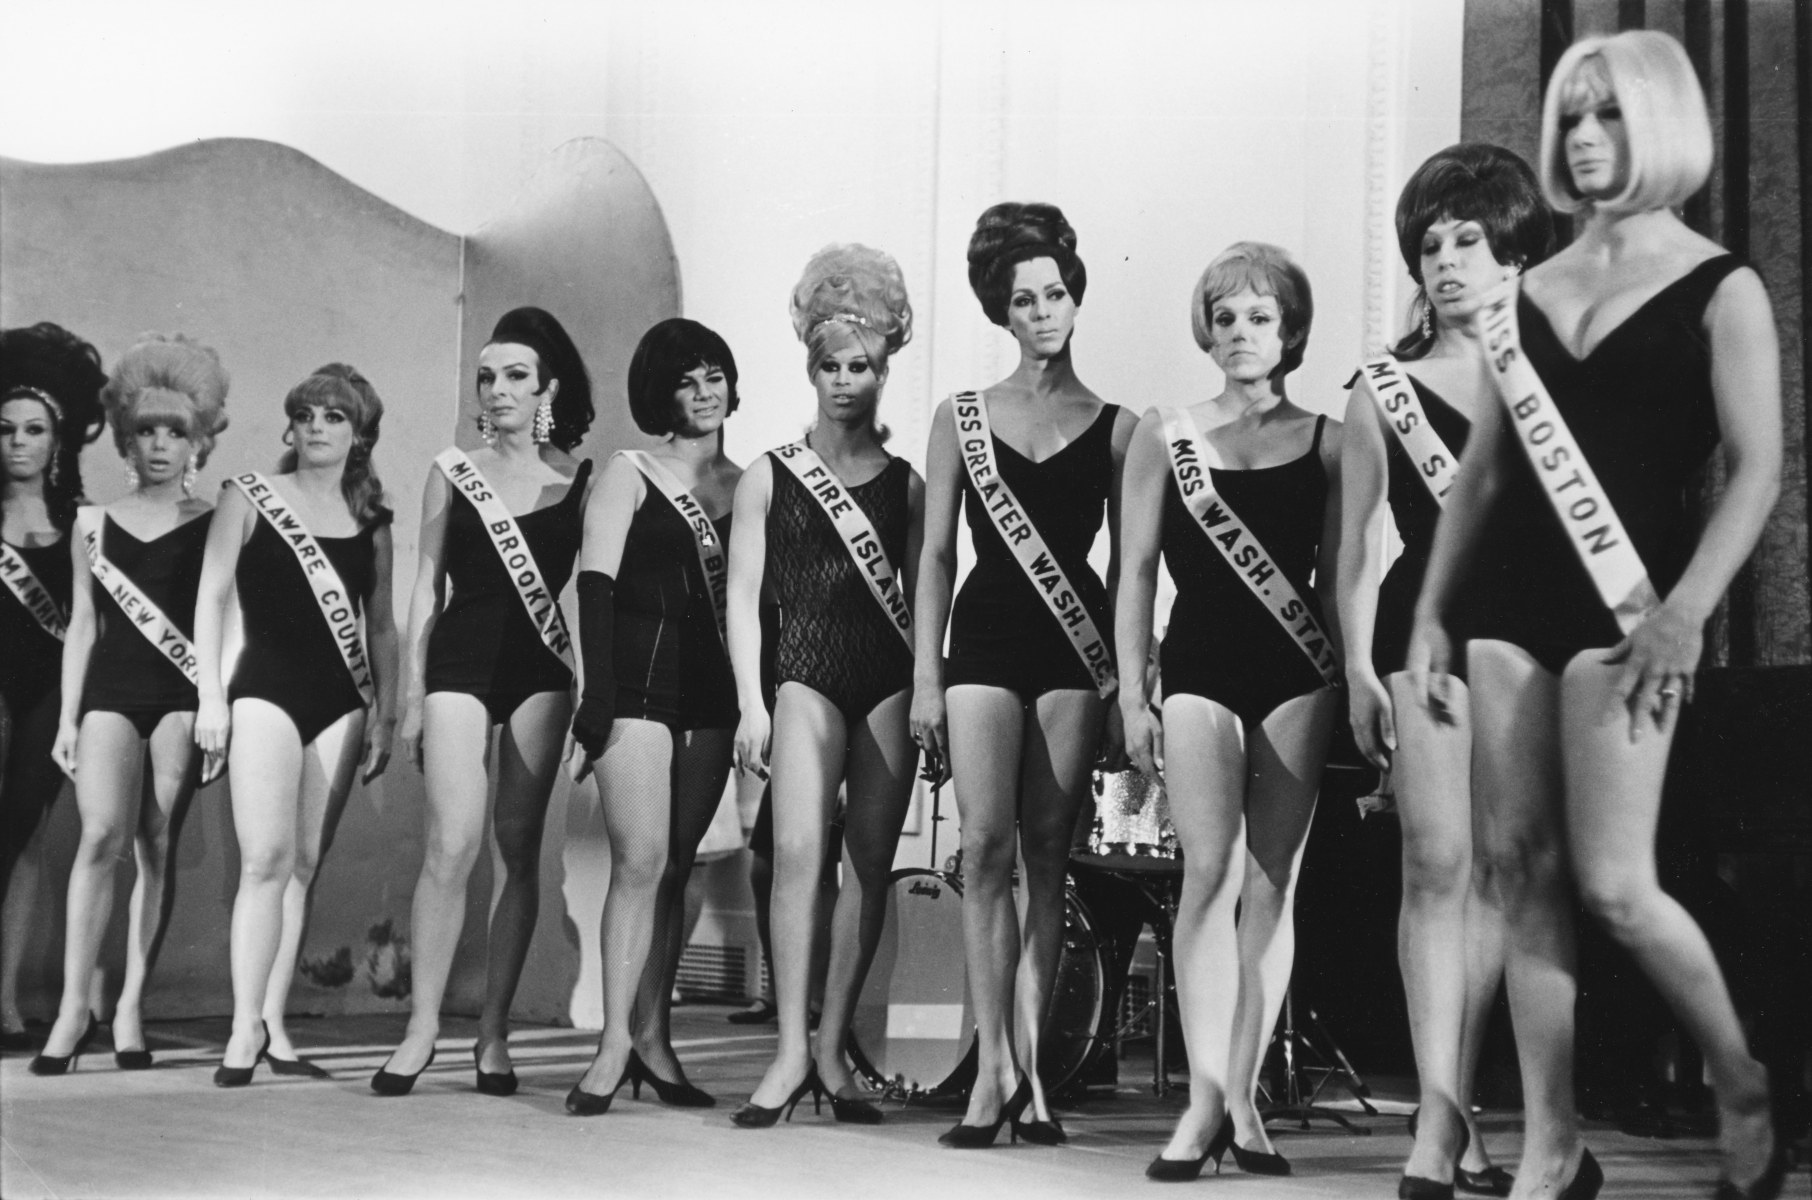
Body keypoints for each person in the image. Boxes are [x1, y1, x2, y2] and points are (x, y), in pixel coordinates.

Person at [1409, 30, 1785, 1200]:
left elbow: (1759, 467)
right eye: (1571, 114)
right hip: (1507, 602)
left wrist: (1688, 613)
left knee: (1618, 886)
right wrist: (1430, 612)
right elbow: (1482, 474)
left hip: (1632, 605)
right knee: (1516, 873)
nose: (1581, 135)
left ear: (1661, 121)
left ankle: (1743, 1080)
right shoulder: (1525, 293)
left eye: (1608, 113)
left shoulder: (1723, 287)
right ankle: (1553, 1145)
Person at [1336, 144, 1553, 1198]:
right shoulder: (1382, 389)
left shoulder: (1556, 378)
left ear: (1515, 251)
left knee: (1505, 873)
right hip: (1421, 630)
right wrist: (1355, 670)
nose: (1448, 262)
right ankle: (1435, 1121)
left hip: (1531, 630)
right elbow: (1351, 549)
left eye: (1469, 240)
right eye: (1430, 246)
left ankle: (1460, 1110)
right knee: (1435, 863)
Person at [1116, 242, 1344, 1179]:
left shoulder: (1331, 440)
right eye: (1225, 316)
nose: (1240, 331)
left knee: (1273, 884)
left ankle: (1243, 1099)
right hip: (1199, 668)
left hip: (1299, 675)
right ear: (1206, 331)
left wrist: (1359, 686)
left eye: (1259, 315)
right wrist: (1131, 693)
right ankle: (1202, 1099)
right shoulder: (1164, 434)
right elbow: (1133, 572)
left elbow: (1344, 584)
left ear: (1290, 330)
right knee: (1207, 875)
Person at [912, 203, 1135, 1145]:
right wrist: (927, 679)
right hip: (985, 641)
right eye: (1023, 300)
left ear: (1075, 299)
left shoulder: (1118, 428)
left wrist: (1125, 687)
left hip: (1073, 652)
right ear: (1001, 312)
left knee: (1049, 857)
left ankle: (1034, 1073)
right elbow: (933, 557)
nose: (1042, 312)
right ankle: (989, 1068)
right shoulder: (960, 417)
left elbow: (1131, 568)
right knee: (985, 849)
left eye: (1054, 295)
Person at [727, 244, 924, 1127]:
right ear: (810, 368)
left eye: (861, 367)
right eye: (832, 366)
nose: (846, 381)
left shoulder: (909, 488)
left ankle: (835, 1050)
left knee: (868, 864)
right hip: (802, 679)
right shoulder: (769, 475)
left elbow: (924, 603)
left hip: (886, 684)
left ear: (884, 371)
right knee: (799, 857)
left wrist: (929, 698)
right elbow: (741, 597)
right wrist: (750, 702)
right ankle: (787, 1054)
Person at [375, 307, 594, 1095]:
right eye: (487, 377)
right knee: (450, 843)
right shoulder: (452, 470)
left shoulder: (582, 481)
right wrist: (410, 697)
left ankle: (493, 1033)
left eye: (516, 376)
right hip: (458, 666)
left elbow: (591, 594)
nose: (498, 390)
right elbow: (424, 586)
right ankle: (421, 1028)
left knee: (519, 847)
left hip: (541, 671)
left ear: (548, 390)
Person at [193, 365, 398, 1085]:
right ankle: (242, 1029)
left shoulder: (373, 521)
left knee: (304, 865)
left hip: (342, 700)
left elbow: (381, 626)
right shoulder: (249, 496)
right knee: (264, 861)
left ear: (359, 433)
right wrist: (211, 699)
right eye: (307, 414)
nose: (317, 427)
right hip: (263, 692)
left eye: (334, 417)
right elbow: (211, 596)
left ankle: (275, 1027)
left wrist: (387, 713)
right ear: (291, 424)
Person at [560, 318, 743, 1114]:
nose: (703, 393)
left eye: (713, 376)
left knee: (676, 868)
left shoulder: (753, 483)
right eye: (685, 381)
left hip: (713, 696)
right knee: (639, 862)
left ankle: (655, 1040)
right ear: (659, 395)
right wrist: (595, 700)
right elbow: (594, 587)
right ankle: (611, 1047)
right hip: (634, 689)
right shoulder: (631, 472)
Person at [32, 335, 227, 1074]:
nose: (160, 445)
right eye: (147, 431)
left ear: (197, 441)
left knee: (156, 846)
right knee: (98, 838)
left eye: (176, 432)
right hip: (110, 694)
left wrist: (215, 704)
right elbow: (82, 624)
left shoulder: (215, 520)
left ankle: (131, 1009)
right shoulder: (93, 523)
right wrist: (67, 717)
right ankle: (72, 1010)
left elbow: (224, 619)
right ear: (126, 439)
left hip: (180, 696)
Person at [0, 324, 107, 1049]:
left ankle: (6, 1001)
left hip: (49, 693)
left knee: (26, 838)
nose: (18, 442)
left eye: (33, 429)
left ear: (57, 439)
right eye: (5, 428)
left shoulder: (81, 523)